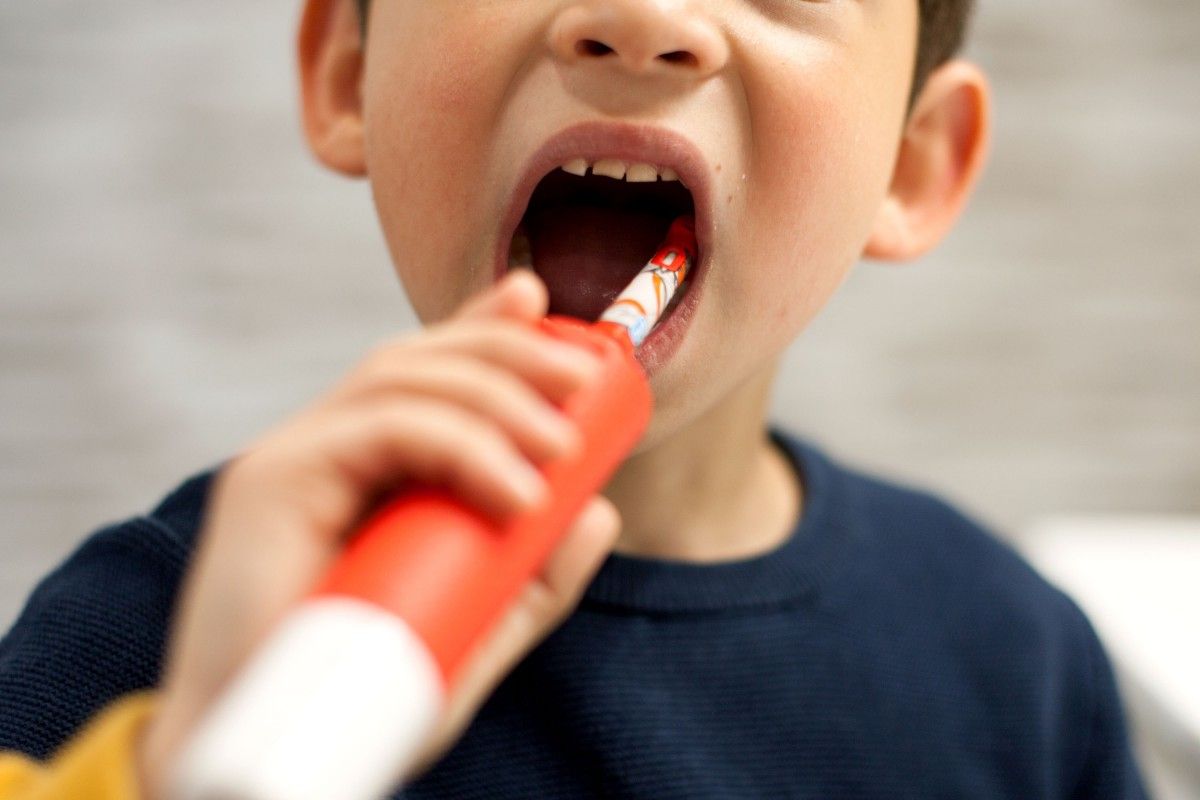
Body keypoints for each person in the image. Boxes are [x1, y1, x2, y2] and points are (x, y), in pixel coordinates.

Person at [0, 0, 1150, 797]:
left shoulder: (1014, 656)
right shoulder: (154, 639)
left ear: (913, 161)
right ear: (349, 74)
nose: (645, 18)